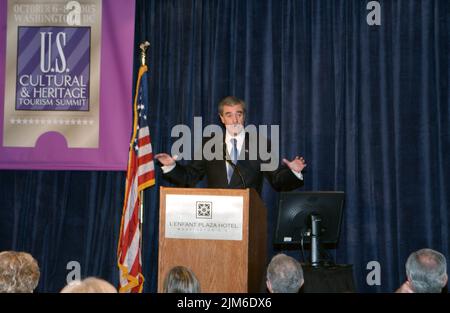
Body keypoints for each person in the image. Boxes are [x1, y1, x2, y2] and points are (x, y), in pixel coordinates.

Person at [155, 96, 306, 195]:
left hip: (248, 215)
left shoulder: (259, 144)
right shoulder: (210, 144)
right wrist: (172, 167)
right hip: (216, 217)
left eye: (238, 114)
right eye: (229, 115)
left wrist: (293, 172)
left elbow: (277, 179)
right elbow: (190, 176)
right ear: (222, 118)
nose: (235, 120)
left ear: (244, 116)